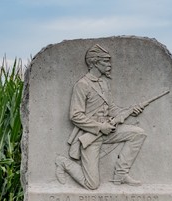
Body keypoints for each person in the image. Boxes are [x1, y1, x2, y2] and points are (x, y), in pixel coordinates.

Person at [55, 44, 146, 190]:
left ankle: (121, 174)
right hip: (90, 136)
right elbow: (75, 115)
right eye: (106, 61)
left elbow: (112, 109)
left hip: (109, 130)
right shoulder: (82, 85)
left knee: (138, 134)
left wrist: (130, 111)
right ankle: (63, 163)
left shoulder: (104, 83)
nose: (110, 65)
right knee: (92, 185)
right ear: (94, 63)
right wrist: (100, 127)